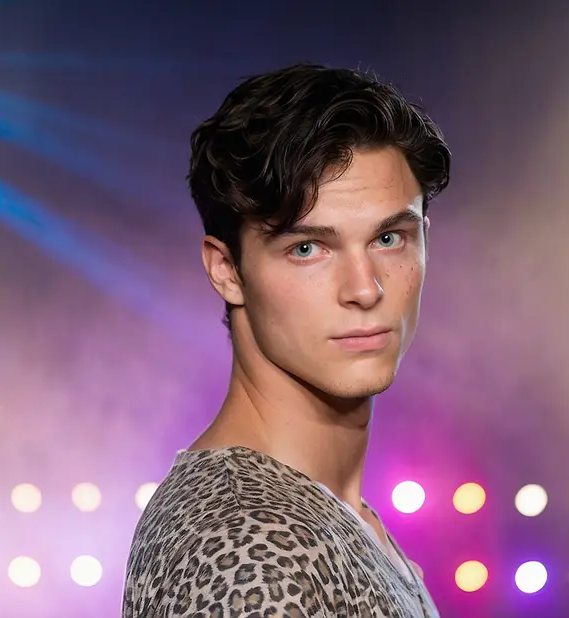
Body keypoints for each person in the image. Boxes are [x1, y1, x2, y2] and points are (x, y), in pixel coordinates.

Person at [122, 63, 450, 617]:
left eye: (390, 238)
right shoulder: (247, 546)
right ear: (226, 269)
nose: (365, 289)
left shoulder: (315, 516)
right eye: (307, 248)